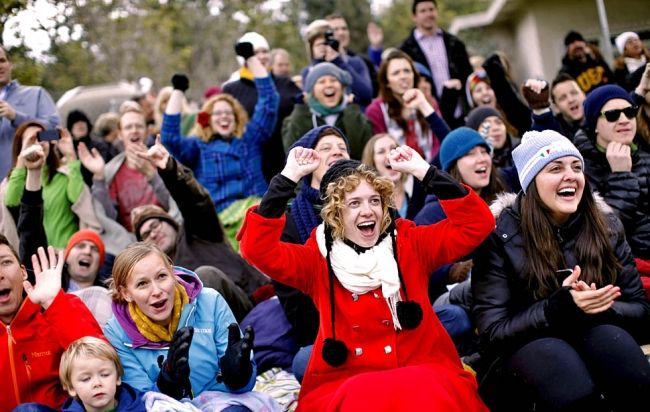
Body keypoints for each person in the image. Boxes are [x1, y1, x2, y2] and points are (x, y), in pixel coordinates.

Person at [239, 143, 495, 410]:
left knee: (427, 387)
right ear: (336, 214)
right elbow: (257, 249)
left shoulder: (410, 241)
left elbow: (478, 224)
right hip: (346, 379)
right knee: (361, 396)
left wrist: (424, 171)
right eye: (354, 203)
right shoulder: (316, 259)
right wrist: (287, 177)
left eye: (375, 200)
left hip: (423, 368)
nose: (368, 210)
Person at [472, 129, 650, 411]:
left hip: (592, 334)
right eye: (555, 168)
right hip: (523, 353)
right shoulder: (498, 235)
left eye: (576, 167)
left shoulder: (606, 225)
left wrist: (598, 306)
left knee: (628, 366)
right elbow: (492, 334)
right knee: (566, 377)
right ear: (531, 182)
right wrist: (557, 307)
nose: (570, 175)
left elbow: (641, 310)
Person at [104, 243, 278, 411]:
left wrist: (239, 375)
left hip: (224, 401)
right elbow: (139, 403)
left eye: (161, 276)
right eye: (142, 284)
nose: (156, 290)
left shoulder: (210, 301)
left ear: (172, 274)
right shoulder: (116, 333)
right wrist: (167, 383)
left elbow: (243, 388)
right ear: (126, 293)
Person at [129, 136, 271, 321]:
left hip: (249, 307)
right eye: (146, 234)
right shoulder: (159, 275)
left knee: (205, 277)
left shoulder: (198, 232)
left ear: (171, 222)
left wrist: (169, 169)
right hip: (203, 331)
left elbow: (195, 202)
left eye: (155, 225)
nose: (153, 233)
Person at [162, 52, 279, 213]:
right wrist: (178, 91)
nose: (224, 116)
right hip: (221, 219)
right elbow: (170, 138)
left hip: (256, 214)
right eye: (217, 113)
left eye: (228, 112)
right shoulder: (198, 146)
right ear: (207, 119)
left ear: (236, 117)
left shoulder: (251, 138)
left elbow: (269, 102)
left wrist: (251, 58)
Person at [1, 239, 104, 411]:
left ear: (23, 273)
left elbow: (102, 365)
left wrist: (54, 303)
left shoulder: (58, 308)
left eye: (5, 262)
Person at [573, 84, 650, 276]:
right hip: (625, 271)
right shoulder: (580, 169)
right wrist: (621, 176)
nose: (624, 120)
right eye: (613, 114)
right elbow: (603, 232)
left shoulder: (646, 155)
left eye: (630, 112)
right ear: (595, 125)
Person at [80, 104, 176, 233]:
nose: (134, 130)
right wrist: (99, 177)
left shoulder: (164, 162)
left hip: (164, 233)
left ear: (147, 132)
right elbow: (109, 218)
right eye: (128, 127)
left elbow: (175, 205)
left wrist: (151, 175)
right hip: (129, 242)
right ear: (120, 134)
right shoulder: (112, 171)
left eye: (139, 126)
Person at [4, 121, 98, 249]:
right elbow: (11, 202)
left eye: (42, 137)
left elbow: (79, 199)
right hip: (32, 256)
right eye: (32, 139)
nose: (39, 143)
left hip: (64, 254)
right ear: (20, 145)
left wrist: (70, 155)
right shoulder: (16, 179)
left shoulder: (63, 175)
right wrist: (22, 159)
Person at [223, 33, 299, 182]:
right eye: (255, 53)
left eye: (265, 51)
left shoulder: (285, 84)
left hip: (282, 158)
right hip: (248, 163)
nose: (262, 56)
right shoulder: (231, 89)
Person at [365, 49, 450, 163]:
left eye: (407, 71)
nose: (403, 76)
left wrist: (423, 105)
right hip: (396, 174)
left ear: (414, 75)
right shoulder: (376, 110)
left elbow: (446, 141)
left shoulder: (428, 102)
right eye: (396, 73)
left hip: (433, 170)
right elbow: (380, 153)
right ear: (387, 82)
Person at [399, 0, 473, 128]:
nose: (428, 14)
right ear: (414, 16)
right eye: (423, 11)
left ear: (437, 12)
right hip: (427, 115)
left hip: (459, 112)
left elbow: (468, 75)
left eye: (431, 9)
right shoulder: (405, 50)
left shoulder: (454, 43)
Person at [282, 62, 373, 160]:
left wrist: (352, 112)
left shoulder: (356, 116)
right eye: (322, 81)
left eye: (333, 80)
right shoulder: (297, 117)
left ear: (342, 87)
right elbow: (293, 153)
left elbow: (361, 151)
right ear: (312, 91)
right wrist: (301, 111)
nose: (328, 85)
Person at [0, 45, 60, 179]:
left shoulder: (36, 94)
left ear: (10, 64)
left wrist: (17, 118)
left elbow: (55, 134)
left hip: (29, 184)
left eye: (2, 60)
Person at [59, 336, 146, 412]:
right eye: (86, 379)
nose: (97, 383)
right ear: (71, 388)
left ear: (118, 377)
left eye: (105, 374)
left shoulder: (150, 406)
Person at [301, 19, 373, 109]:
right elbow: (310, 102)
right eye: (319, 45)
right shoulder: (308, 72)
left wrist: (338, 61)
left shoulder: (355, 63)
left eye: (326, 43)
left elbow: (366, 95)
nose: (324, 47)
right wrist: (319, 62)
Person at [361, 133, 426, 219]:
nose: (389, 155)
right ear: (372, 163)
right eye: (381, 152)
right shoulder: (369, 203)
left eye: (393, 148)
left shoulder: (419, 185)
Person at [325, 13, 379, 98]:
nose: (341, 33)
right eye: (335, 29)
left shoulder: (361, 62)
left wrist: (376, 47)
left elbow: (370, 93)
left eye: (344, 29)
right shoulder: (321, 64)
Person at [524, 73, 586, 139]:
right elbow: (543, 126)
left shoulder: (597, 114)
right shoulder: (555, 132)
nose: (571, 100)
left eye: (574, 93)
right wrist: (540, 108)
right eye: (563, 98)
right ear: (556, 108)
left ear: (584, 94)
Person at [558, 30, 614, 95]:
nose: (576, 44)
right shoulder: (565, 72)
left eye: (578, 40)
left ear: (584, 43)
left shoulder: (597, 61)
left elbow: (612, 79)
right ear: (567, 49)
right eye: (572, 42)